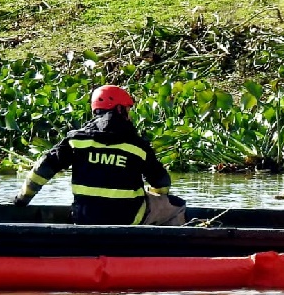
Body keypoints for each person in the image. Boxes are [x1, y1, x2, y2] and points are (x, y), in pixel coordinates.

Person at [13, 85, 182, 225]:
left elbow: (43, 168)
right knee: (176, 206)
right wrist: (157, 197)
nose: (130, 115)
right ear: (119, 108)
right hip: (129, 220)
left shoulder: (76, 141)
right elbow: (161, 182)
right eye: (128, 109)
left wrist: (22, 199)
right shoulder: (138, 146)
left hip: (83, 219)